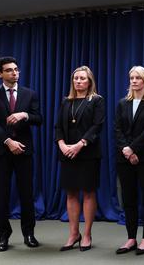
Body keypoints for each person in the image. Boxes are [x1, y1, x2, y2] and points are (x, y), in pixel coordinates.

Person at [0, 56, 42, 251]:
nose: (14, 73)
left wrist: (24, 115)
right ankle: (3, 236)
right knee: (1, 194)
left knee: (27, 194)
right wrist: (8, 142)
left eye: (16, 69)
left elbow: (38, 118)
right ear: (0, 74)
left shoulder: (30, 94)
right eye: (9, 70)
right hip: (0, 151)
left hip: (24, 151)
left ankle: (29, 233)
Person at [54, 66, 105, 252]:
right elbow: (58, 126)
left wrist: (80, 144)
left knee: (89, 192)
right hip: (67, 152)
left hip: (88, 153)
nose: (78, 81)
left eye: (82, 78)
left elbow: (97, 126)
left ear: (89, 81)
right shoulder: (66, 102)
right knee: (71, 193)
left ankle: (87, 234)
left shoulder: (97, 101)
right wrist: (62, 145)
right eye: (76, 78)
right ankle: (73, 234)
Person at [113, 66, 144, 255]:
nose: (133, 81)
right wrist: (127, 150)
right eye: (131, 78)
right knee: (128, 199)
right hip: (124, 157)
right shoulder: (122, 103)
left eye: (137, 78)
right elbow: (117, 129)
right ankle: (131, 238)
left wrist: (133, 149)